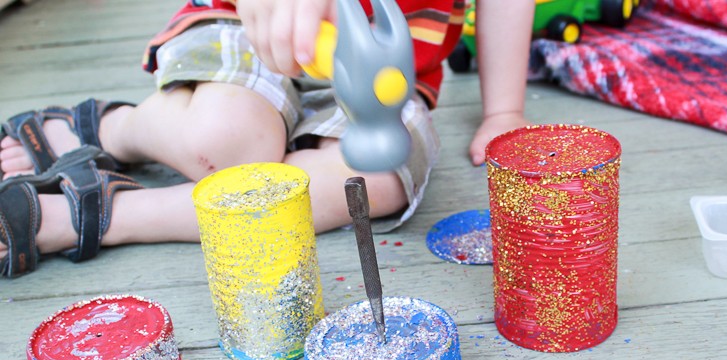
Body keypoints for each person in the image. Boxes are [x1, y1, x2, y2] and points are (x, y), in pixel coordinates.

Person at [0, 0, 534, 278]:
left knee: (372, 183)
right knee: (227, 144)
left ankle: (101, 215)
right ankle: (112, 127)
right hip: (249, 28)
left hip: (382, 77)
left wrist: (505, 108)